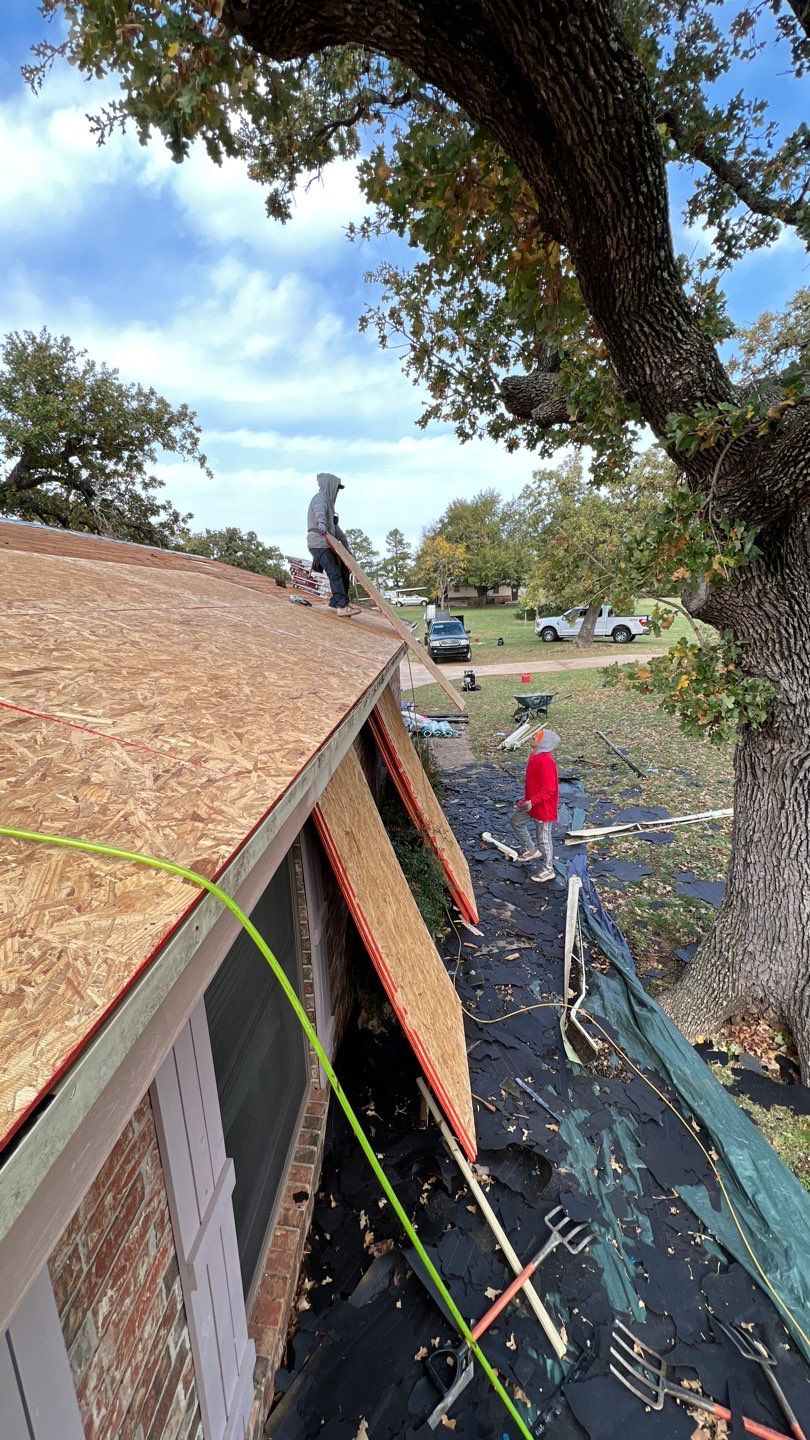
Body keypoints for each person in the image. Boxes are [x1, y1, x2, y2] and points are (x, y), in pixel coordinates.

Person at [509, 727, 560, 882]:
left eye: (536, 736)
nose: (532, 738)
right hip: (530, 802)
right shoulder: (535, 755)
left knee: (543, 838)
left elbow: (550, 788)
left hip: (543, 806)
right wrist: (527, 799)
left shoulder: (546, 760)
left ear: (544, 742)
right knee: (516, 822)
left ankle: (548, 869)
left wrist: (533, 801)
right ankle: (531, 850)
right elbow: (533, 783)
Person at [306, 473, 359, 617]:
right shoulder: (320, 498)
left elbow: (338, 532)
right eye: (336, 488)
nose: (337, 491)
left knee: (343, 570)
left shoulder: (330, 504)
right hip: (318, 543)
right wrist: (321, 522)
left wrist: (348, 551)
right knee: (334, 572)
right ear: (330, 486)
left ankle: (337, 601)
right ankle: (342, 606)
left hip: (327, 543)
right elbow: (319, 511)